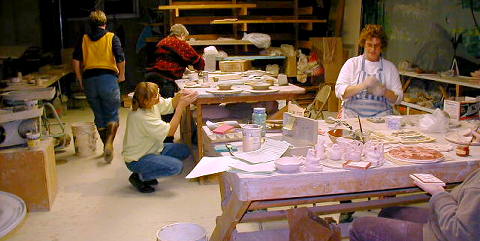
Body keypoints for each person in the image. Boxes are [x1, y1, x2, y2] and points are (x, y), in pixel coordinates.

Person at [350, 167, 480, 241]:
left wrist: (438, 193)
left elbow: (460, 233)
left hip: (447, 235)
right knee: (390, 212)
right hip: (456, 219)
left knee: (360, 226)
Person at [122, 82, 198, 193]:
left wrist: (180, 95)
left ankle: (146, 170)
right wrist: (180, 107)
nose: (159, 96)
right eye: (156, 95)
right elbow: (170, 132)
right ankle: (140, 176)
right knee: (176, 167)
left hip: (152, 149)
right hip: (137, 159)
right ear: (146, 100)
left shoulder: (149, 103)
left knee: (184, 150)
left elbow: (170, 103)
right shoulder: (141, 117)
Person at [72, 10, 125, 163]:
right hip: (107, 79)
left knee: (99, 116)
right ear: (105, 23)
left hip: (90, 80)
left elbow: (76, 61)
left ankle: (105, 146)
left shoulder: (83, 39)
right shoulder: (111, 37)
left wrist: (80, 79)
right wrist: (122, 74)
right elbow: (120, 57)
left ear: (90, 25)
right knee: (113, 114)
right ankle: (109, 144)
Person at [145, 24, 205, 143]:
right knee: (168, 112)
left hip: (151, 78)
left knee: (155, 110)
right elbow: (199, 64)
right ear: (182, 35)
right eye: (185, 38)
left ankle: (155, 139)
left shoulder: (162, 42)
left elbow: (169, 59)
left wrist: (183, 67)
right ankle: (166, 143)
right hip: (165, 80)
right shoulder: (180, 44)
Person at [335, 24, 403, 119]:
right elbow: (339, 91)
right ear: (364, 44)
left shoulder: (390, 68)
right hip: (353, 117)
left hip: (381, 118)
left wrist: (384, 91)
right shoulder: (352, 64)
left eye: (376, 46)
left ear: (382, 46)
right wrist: (362, 86)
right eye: (369, 45)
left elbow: (398, 98)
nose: (372, 49)